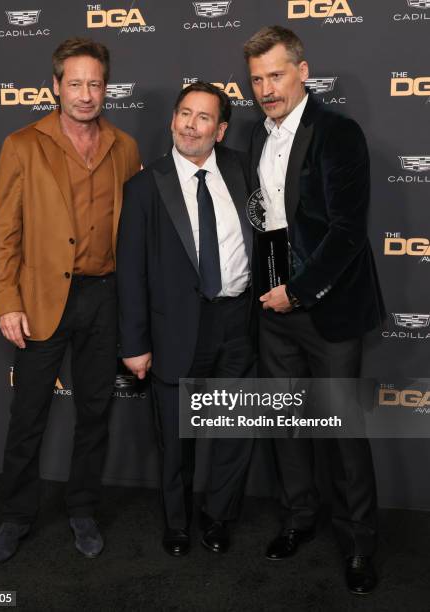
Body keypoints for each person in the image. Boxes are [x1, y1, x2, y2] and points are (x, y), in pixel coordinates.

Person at [0, 37, 141, 564]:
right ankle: (15, 515)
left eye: (94, 83)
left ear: (106, 87)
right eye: (74, 83)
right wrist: (7, 300)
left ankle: (82, 508)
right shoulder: (23, 144)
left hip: (104, 298)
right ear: (56, 86)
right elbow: (5, 230)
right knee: (28, 413)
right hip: (42, 298)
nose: (84, 94)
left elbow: (134, 236)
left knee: (95, 412)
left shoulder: (125, 147)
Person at [244, 26, 385, 594]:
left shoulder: (338, 134)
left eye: (275, 75)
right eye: (256, 79)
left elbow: (348, 233)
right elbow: (266, 219)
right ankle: (300, 518)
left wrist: (298, 290)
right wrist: (268, 288)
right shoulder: (255, 137)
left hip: (325, 308)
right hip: (271, 308)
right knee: (285, 423)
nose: (265, 89)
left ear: (303, 71)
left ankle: (360, 543)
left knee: (343, 430)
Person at [117, 82, 254, 556]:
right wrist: (134, 342)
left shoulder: (244, 171)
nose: (190, 125)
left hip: (239, 322)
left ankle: (219, 518)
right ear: (172, 119)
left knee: (235, 431)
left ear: (220, 130)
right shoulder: (143, 186)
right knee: (177, 438)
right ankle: (177, 524)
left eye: (202, 118)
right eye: (184, 114)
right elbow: (130, 271)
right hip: (175, 328)